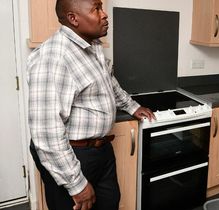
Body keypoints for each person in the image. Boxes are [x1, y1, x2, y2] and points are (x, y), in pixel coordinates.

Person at [27, 0, 155, 209]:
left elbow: (109, 84)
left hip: (101, 149)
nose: (105, 15)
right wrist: (76, 184)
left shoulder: (92, 46)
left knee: (110, 203)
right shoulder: (53, 57)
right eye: (96, 9)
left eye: (102, 7)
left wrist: (132, 106)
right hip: (71, 154)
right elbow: (46, 132)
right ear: (73, 18)